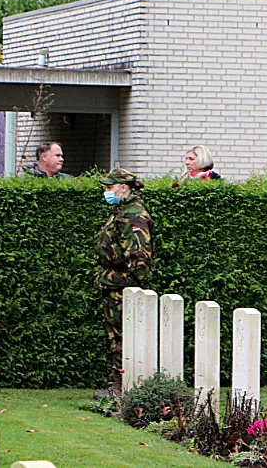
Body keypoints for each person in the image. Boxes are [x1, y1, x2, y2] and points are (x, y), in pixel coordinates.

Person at [93, 168, 154, 391]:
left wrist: (134, 288)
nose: (107, 192)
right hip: (113, 283)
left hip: (124, 288)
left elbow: (138, 256)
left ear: (124, 188)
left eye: (110, 187)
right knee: (114, 336)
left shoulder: (133, 215)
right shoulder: (121, 212)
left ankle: (123, 386)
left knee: (123, 336)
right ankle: (117, 382)